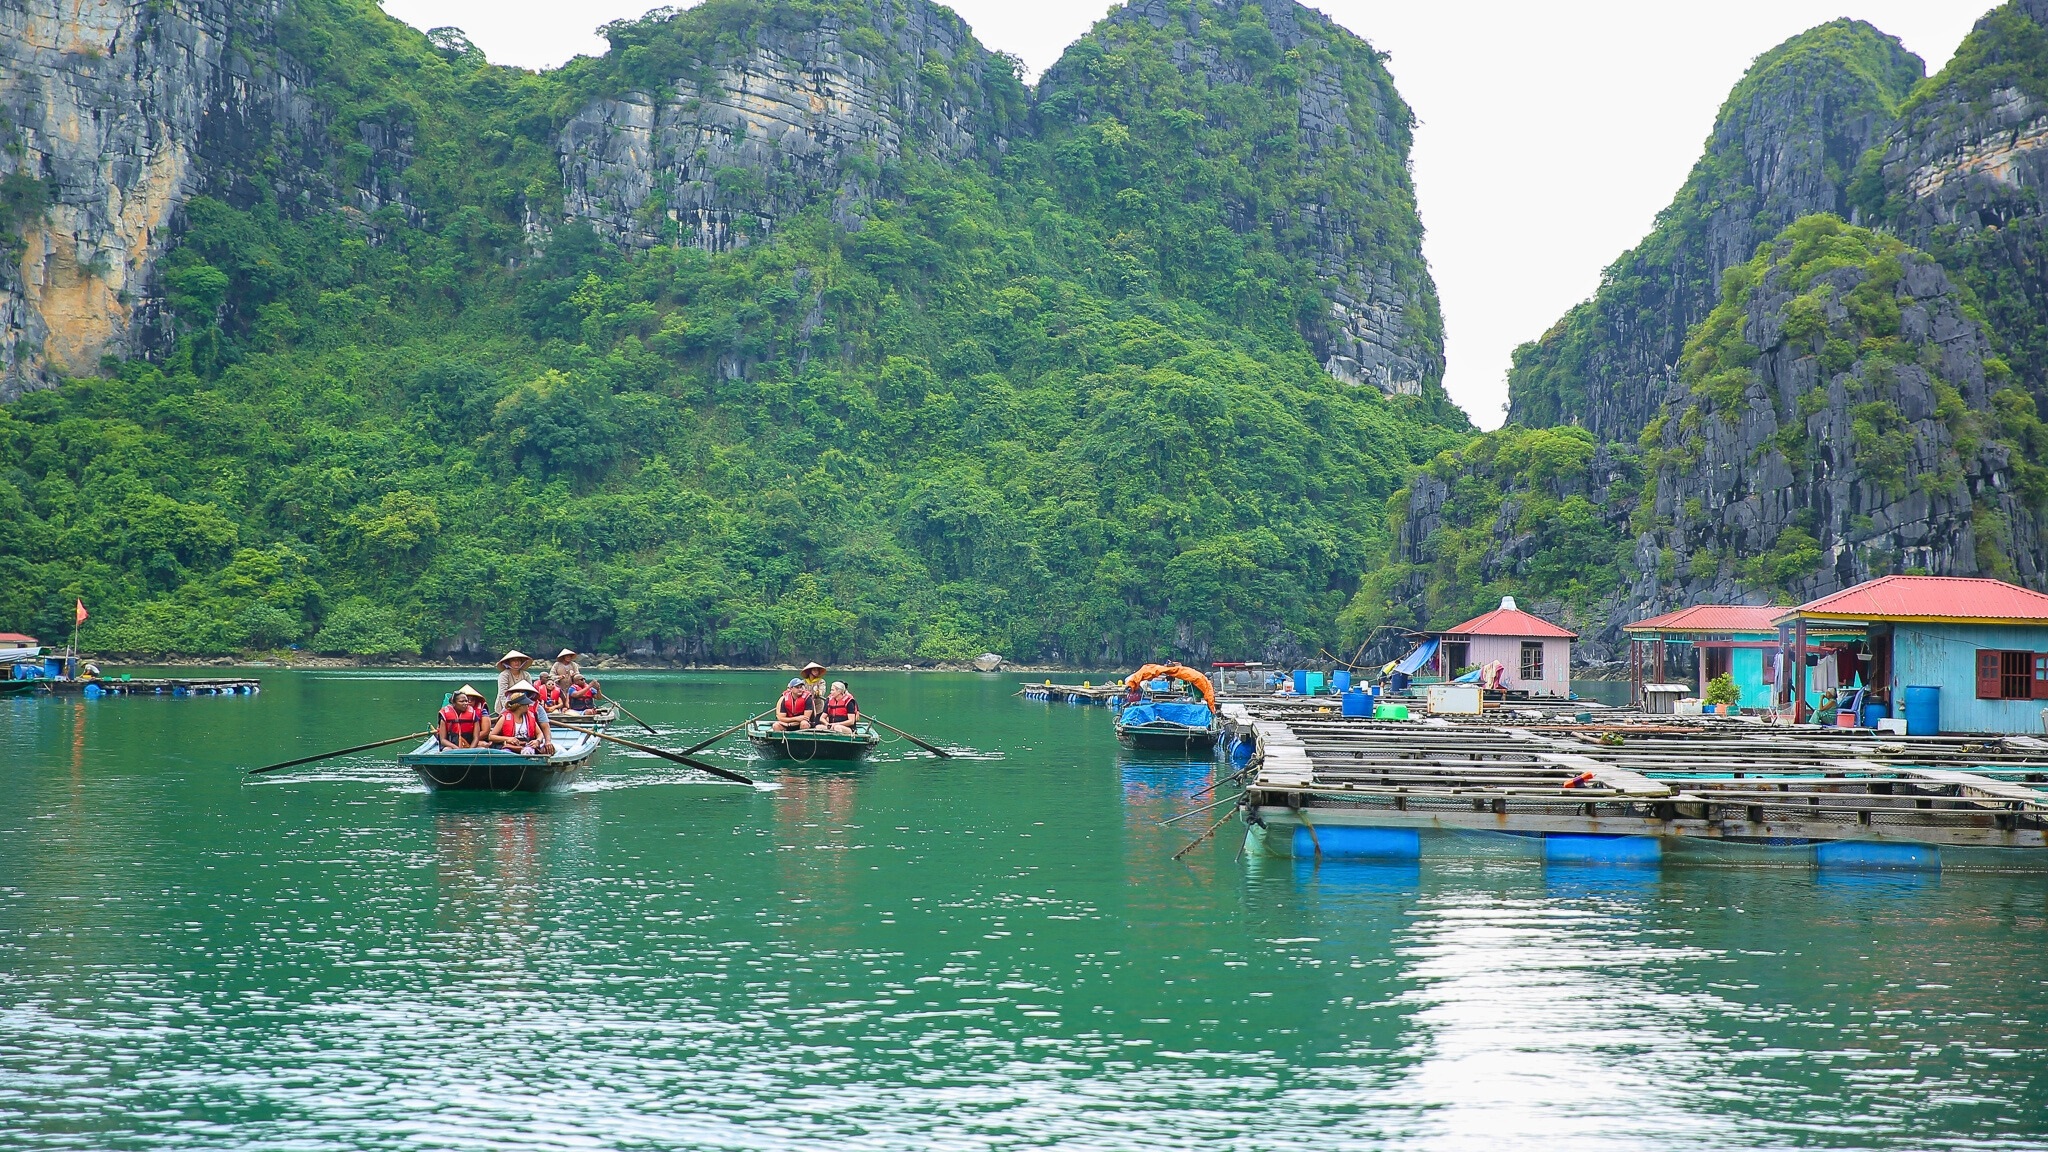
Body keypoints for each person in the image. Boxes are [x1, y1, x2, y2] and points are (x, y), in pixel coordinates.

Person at [488, 681, 555, 755]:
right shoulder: (505, 716)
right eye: (526, 704)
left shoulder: (531, 715)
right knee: (507, 753)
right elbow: (491, 736)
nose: (528, 706)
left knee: (529, 751)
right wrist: (508, 739)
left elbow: (541, 733)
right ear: (520, 706)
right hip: (510, 746)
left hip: (527, 745)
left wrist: (538, 741)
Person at [438, 684, 488, 749]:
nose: (465, 703)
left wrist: (470, 750)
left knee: (482, 748)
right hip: (451, 746)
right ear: (454, 703)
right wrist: (456, 748)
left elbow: (476, 737)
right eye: (462, 701)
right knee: (447, 750)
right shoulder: (444, 715)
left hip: (469, 745)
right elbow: (443, 740)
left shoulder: (473, 714)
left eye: (466, 701)